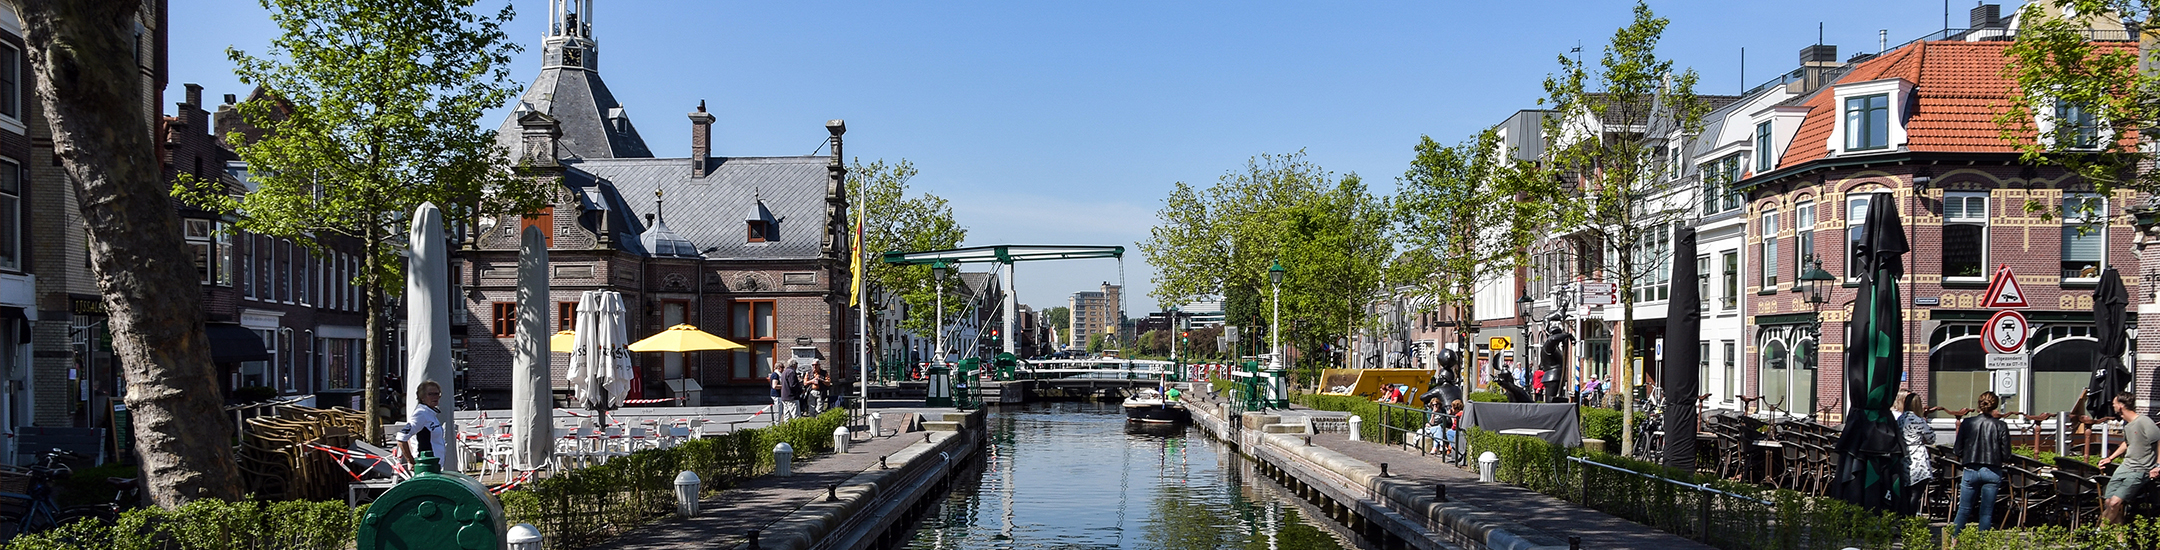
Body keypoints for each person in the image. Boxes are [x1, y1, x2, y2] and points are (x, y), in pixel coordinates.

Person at [1950, 391, 2011, 535]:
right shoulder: (2001, 425)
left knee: (1964, 509)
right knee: (1986, 512)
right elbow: (2006, 455)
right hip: (1992, 471)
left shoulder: (1967, 423)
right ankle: (1983, 542)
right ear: (1995, 406)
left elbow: (1957, 450)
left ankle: (1954, 540)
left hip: (1971, 469)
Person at [2098, 391, 2160, 525]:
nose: (2113, 406)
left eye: (2114, 404)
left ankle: (2100, 531)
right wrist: (2110, 458)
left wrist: (2158, 466)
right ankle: (2120, 537)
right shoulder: (2127, 425)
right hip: (2125, 466)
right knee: (2109, 501)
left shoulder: (2144, 421)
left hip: (2140, 469)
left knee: (2115, 503)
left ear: (2120, 406)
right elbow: (2127, 443)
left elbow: (2159, 441)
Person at [1892, 390, 1935, 515]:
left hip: (1903, 457)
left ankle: (1904, 518)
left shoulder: (1899, 419)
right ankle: (1911, 519)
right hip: (1918, 459)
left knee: (1905, 494)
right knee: (1916, 495)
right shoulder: (1919, 420)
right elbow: (1931, 438)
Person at [395, 380, 449, 465]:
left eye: (437, 394)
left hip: (435, 464)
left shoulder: (431, 413)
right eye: (430, 394)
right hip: (424, 464)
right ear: (422, 397)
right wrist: (411, 461)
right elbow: (401, 437)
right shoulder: (421, 414)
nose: (435, 397)